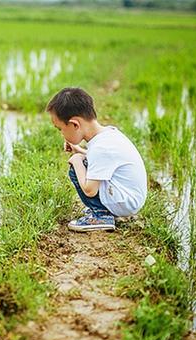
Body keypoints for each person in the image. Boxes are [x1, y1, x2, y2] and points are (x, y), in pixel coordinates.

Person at [46, 87, 147, 232]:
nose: (61, 134)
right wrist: (79, 150)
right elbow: (102, 161)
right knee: (84, 162)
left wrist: (76, 160)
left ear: (75, 124)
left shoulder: (101, 147)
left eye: (60, 129)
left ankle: (100, 215)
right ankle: (105, 209)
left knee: (77, 169)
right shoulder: (106, 135)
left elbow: (89, 190)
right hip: (129, 196)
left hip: (127, 202)